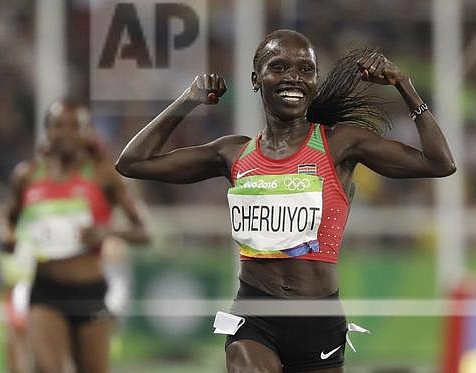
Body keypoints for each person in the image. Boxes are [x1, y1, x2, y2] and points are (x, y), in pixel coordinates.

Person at [115, 29, 455, 372]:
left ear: (316, 82)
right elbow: (132, 162)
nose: (293, 77)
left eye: (305, 70)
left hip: (318, 317)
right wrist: (188, 100)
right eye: (279, 67)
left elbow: (440, 163)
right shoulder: (233, 152)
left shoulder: (340, 144)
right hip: (255, 314)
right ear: (255, 78)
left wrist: (404, 84)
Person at [0, 98, 149, 373]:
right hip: (45, 291)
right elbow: (7, 222)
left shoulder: (103, 175)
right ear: (47, 130)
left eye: (74, 125)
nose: (65, 132)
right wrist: (7, 238)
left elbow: (144, 232)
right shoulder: (28, 175)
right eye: (58, 125)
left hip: (90, 291)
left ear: (87, 131)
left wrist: (105, 231)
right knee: (48, 367)